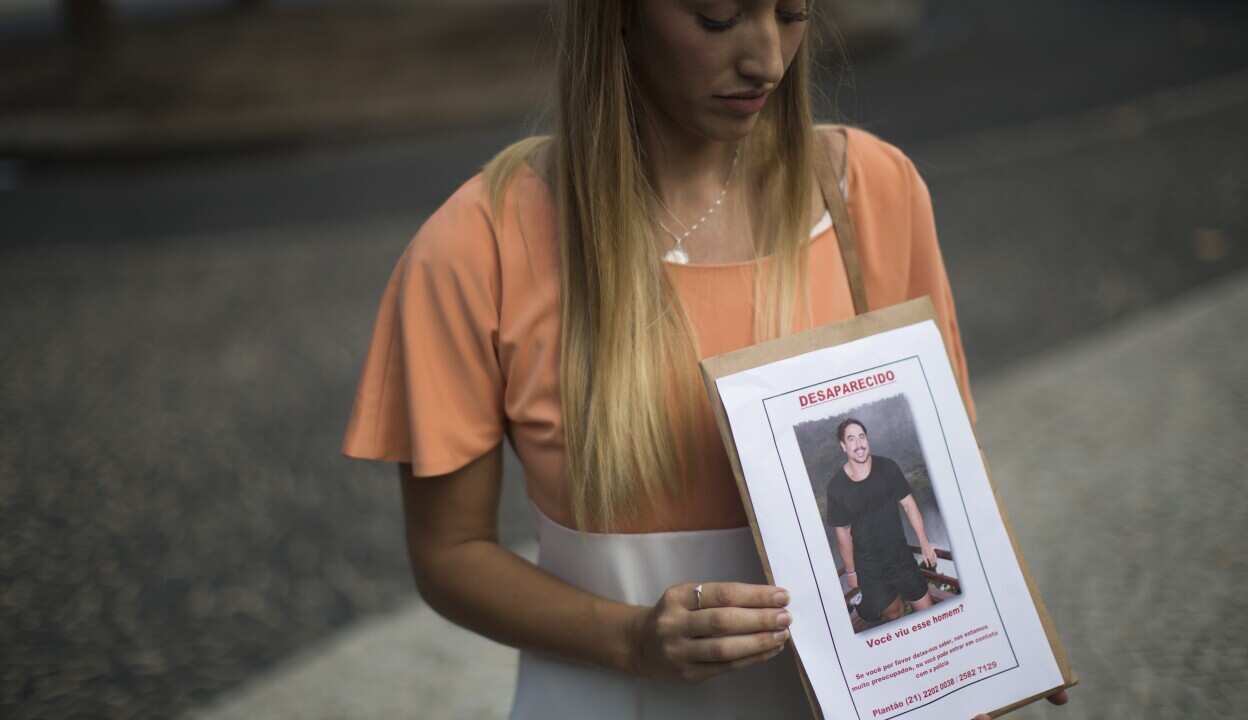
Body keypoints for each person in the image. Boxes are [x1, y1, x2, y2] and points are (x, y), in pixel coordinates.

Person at [341, 1, 1067, 717]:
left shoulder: (872, 191)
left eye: (792, 11)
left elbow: (954, 472)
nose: (769, 60)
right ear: (616, 15)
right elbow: (451, 553)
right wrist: (630, 640)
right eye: (718, 18)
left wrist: (992, 638)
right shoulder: (477, 246)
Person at [827, 418, 938, 626]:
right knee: (894, 614)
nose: (858, 444)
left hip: (900, 556)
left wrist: (924, 542)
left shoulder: (888, 467)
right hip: (869, 567)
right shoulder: (836, 487)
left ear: (867, 439)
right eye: (851, 439)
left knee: (927, 612)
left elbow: (909, 505)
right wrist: (851, 572)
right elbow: (842, 533)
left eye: (862, 437)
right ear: (843, 446)